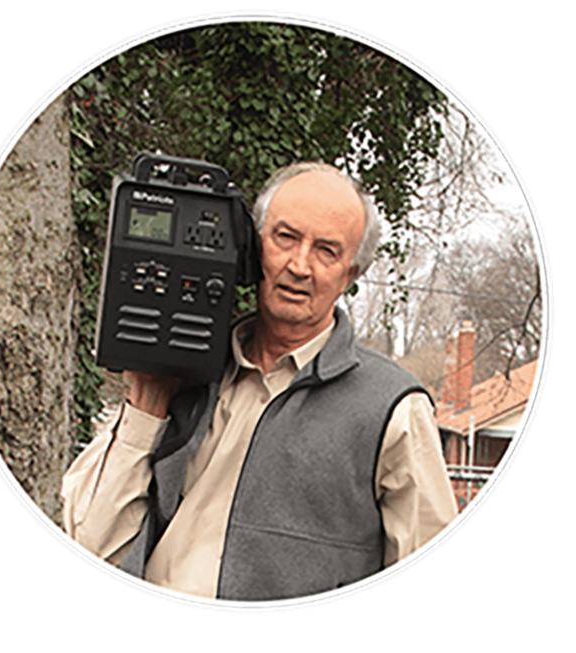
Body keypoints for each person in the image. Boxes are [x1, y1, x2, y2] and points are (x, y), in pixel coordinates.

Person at [62, 162, 458, 602]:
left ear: (350, 275)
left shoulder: (392, 409)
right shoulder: (182, 377)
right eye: (285, 238)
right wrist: (147, 402)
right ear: (253, 247)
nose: (299, 265)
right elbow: (93, 544)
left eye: (326, 251)